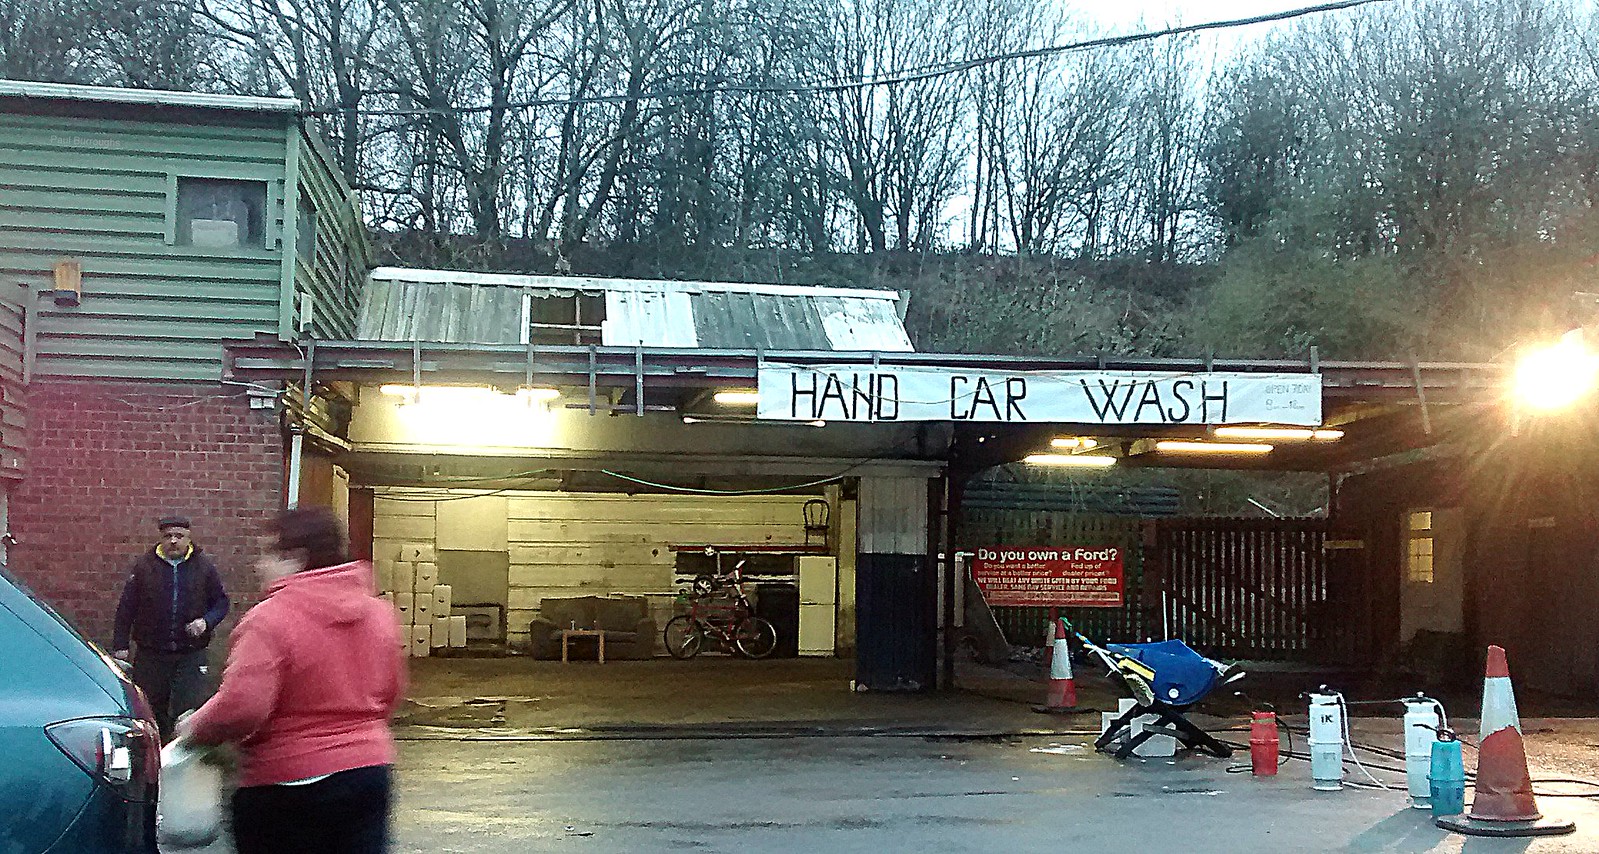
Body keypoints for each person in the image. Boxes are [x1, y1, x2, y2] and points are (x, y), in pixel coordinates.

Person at [177, 506, 407, 854]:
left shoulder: (270, 618)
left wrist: (196, 729)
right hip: (368, 773)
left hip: (286, 783)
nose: (259, 565)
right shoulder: (379, 614)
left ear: (297, 558)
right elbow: (391, 692)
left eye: (267, 553)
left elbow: (243, 707)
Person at [112, 515, 230, 739]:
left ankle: (184, 757)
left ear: (189, 538)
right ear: (160, 539)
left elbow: (221, 602)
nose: (173, 541)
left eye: (179, 536)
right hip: (151, 653)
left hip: (191, 653)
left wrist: (206, 621)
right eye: (168, 536)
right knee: (150, 710)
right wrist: (121, 645)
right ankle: (154, 756)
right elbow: (127, 607)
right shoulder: (144, 567)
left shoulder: (203, 567)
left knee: (189, 708)